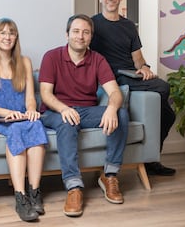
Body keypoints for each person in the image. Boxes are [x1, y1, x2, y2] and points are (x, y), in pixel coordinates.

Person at [39, 14, 129, 217]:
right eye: (76, 31)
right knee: (66, 122)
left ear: (91, 37)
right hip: (54, 111)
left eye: (86, 32)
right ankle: (74, 187)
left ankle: (110, 176)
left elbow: (115, 92)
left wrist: (112, 109)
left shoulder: (98, 60)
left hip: (86, 110)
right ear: (67, 34)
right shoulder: (51, 57)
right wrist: (64, 109)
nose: (81, 36)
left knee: (121, 114)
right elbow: (45, 94)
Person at [91, 0, 176, 176]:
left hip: (130, 75)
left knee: (169, 115)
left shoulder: (129, 26)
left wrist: (145, 68)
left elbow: (138, 59)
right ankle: (149, 159)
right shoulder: (93, 24)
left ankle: (150, 160)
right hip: (111, 79)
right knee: (163, 88)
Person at [0, 18, 48, 222]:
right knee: (18, 130)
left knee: (36, 125)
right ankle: (20, 197)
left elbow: (30, 97)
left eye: (11, 32)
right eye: (2, 33)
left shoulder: (25, 61)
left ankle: (35, 192)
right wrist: (7, 114)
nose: (7, 37)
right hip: (2, 120)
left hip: (23, 116)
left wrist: (31, 110)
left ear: (16, 37)